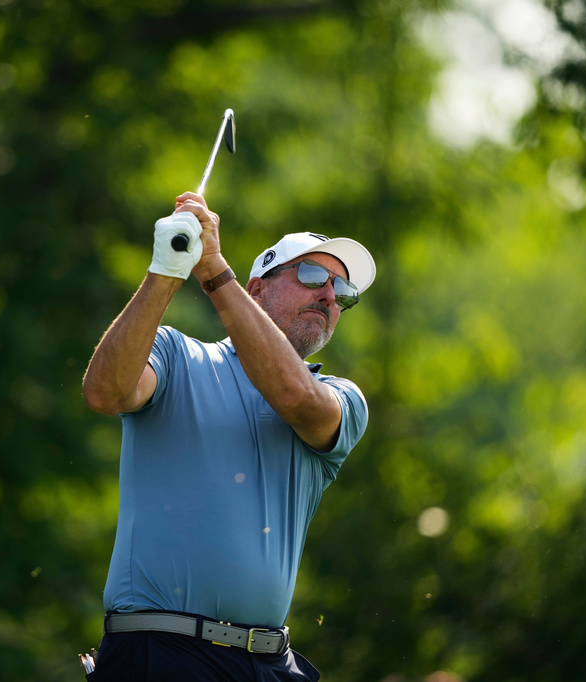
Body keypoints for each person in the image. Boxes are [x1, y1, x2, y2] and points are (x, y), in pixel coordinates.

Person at [81, 190, 376, 681]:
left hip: (269, 663)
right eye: (311, 276)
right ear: (256, 289)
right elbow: (104, 393)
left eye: (342, 290)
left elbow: (295, 397)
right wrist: (166, 270)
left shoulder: (341, 397)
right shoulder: (175, 355)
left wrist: (215, 272)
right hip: (159, 653)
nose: (329, 295)